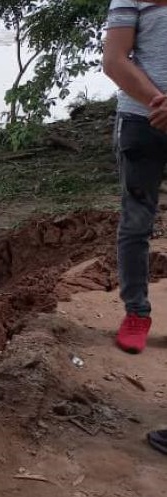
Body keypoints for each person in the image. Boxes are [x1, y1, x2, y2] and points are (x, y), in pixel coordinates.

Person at [103, 0, 167, 455]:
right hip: (142, 121)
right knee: (137, 223)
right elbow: (114, 58)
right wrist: (158, 103)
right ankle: (137, 313)